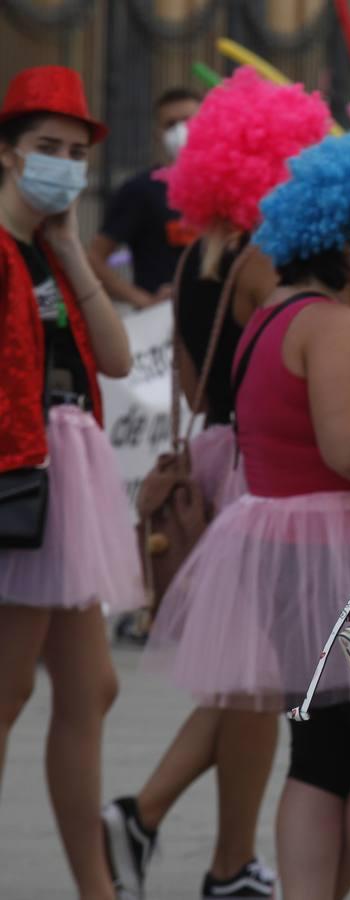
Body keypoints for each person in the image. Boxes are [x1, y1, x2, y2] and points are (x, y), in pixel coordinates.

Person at [103, 68, 332, 900]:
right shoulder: (264, 256)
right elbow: (281, 362)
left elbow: (199, 376)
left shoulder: (205, 250)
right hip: (258, 474)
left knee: (250, 685)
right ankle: (159, 824)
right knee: (258, 684)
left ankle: (219, 860)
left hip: (215, 455)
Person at [0, 64, 138, 900]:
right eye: (46, 147)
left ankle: (98, 887)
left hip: (64, 473)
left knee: (91, 686)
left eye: (75, 151)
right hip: (20, 476)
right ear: (9, 154)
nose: (64, 163)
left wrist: (66, 246)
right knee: (10, 686)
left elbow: (116, 357)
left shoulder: (47, 250)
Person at [86, 88, 201, 310]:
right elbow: (94, 258)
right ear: (158, 133)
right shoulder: (140, 190)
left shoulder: (225, 188)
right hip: (162, 328)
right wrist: (143, 300)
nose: (180, 131)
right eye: (170, 124)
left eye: (189, 121)